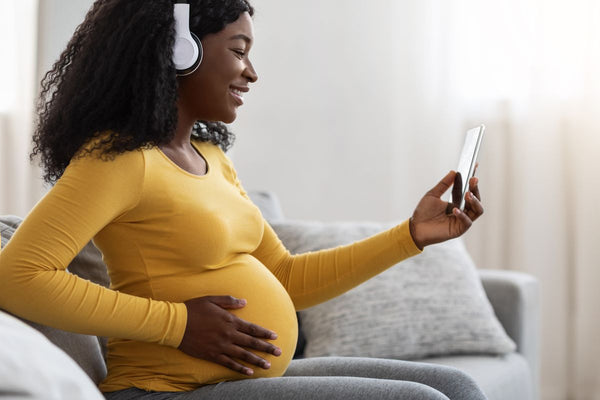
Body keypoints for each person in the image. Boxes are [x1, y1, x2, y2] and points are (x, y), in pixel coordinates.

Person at [0, 0, 486, 399]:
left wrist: (411, 236)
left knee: (456, 387)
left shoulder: (210, 156)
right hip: (166, 390)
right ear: (179, 51)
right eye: (238, 50)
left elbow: (287, 279)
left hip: (233, 381)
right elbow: (18, 278)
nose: (250, 72)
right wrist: (178, 324)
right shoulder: (119, 160)